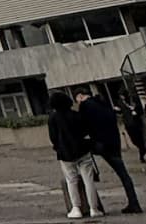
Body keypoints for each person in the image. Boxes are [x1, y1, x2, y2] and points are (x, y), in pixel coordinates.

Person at [75, 89, 140, 214]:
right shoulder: (102, 103)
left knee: (90, 173)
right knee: (124, 174)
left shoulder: (85, 106)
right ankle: (134, 202)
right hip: (114, 142)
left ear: (80, 96)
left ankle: (94, 206)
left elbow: (84, 126)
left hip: (101, 144)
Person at [47, 91, 101, 219]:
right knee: (89, 181)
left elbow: (53, 137)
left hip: (65, 153)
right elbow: (86, 131)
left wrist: (58, 148)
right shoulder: (76, 115)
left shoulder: (53, 118)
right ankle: (94, 208)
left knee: (71, 180)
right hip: (82, 151)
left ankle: (76, 208)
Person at [116, 94, 146, 163]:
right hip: (129, 125)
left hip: (136, 125)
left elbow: (139, 111)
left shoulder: (133, 103)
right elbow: (120, 112)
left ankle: (143, 157)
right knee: (136, 142)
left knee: (140, 142)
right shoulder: (121, 104)